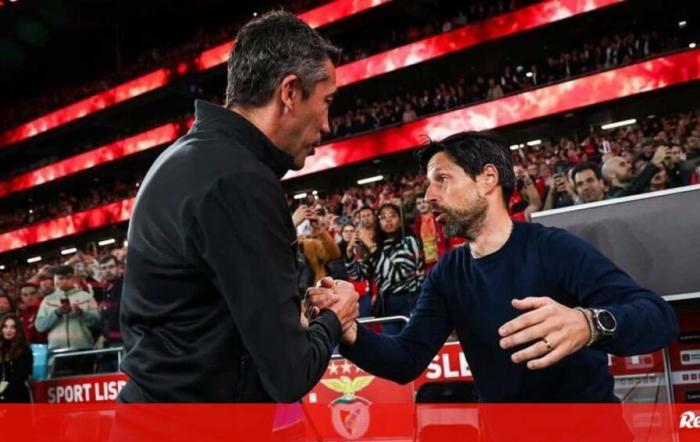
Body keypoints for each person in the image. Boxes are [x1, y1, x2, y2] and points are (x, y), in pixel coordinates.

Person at [311, 132, 677, 407]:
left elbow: (658, 317)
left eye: (442, 179)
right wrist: (348, 330)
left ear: (487, 179)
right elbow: (406, 359)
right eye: (427, 184)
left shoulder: (553, 248)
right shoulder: (447, 274)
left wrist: (589, 324)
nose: (428, 196)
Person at [118, 11, 358, 403]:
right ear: (290, 92)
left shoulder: (185, 158)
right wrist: (336, 315)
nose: (328, 124)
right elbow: (290, 374)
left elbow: (214, 319)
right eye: (326, 101)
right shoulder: (239, 181)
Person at [345, 203, 424, 335]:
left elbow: (397, 276)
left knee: (412, 345)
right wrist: (349, 254)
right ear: (379, 222)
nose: (388, 219)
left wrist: (371, 246)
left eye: (392, 215)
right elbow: (359, 275)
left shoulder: (409, 241)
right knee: (392, 347)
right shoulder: (378, 245)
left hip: (409, 300)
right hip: (387, 303)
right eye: (383, 217)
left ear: (400, 219)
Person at [35, 265, 100, 352]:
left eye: (68, 278)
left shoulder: (86, 297)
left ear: (74, 278)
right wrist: (56, 314)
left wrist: (82, 314)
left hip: (83, 347)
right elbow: (40, 326)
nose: (65, 281)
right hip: (57, 350)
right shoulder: (47, 300)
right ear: (56, 280)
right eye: (61, 278)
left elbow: (98, 320)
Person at [0, 313, 33, 403]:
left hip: (17, 398)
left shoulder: (24, 350)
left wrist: (3, 396)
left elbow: (18, 378)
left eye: (12, 327)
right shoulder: (1, 348)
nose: (8, 330)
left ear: (18, 330)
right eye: (5, 327)